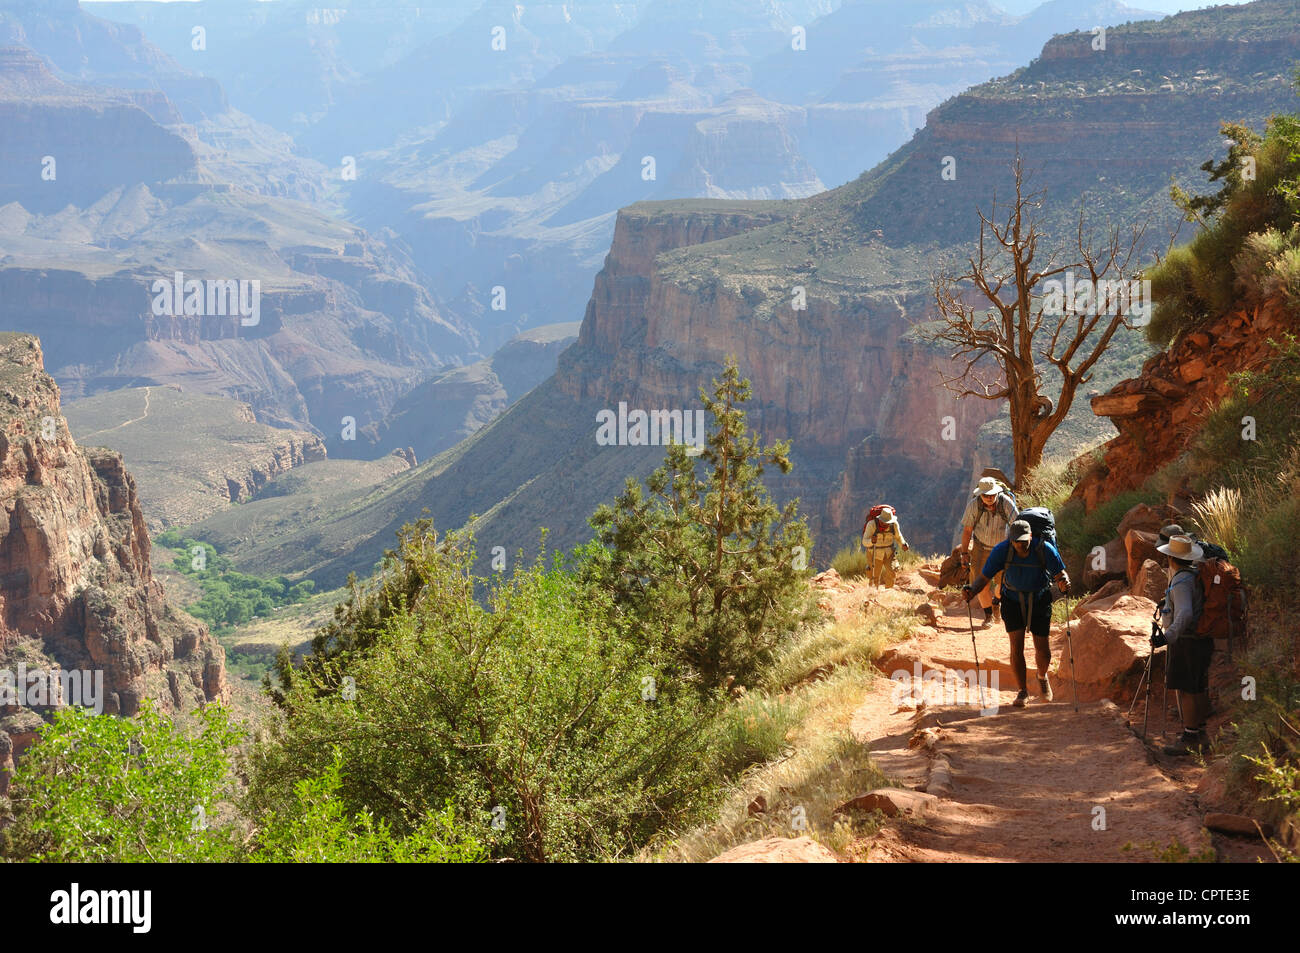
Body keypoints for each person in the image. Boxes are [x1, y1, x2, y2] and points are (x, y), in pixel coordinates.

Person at [964, 519, 1069, 707]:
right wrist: (972, 590)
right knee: (1016, 645)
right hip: (1012, 600)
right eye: (1016, 541)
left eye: (1024, 540)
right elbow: (984, 577)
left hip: (1039, 599)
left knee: (1042, 649)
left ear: (1030, 536)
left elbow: (1060, 574)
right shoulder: (1001, 550)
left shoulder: (1044, 549)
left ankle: (1042, 677)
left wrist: (1064, 582)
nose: (1020, 545)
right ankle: (1022, 692)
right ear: (1010, 539)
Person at [1156, 534, 1212, 756]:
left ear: (1171, 558)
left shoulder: (1180, 580)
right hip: (1202, 640)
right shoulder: (1194, 575)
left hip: (1187, 641)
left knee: (1187, 689)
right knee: (1198, 687)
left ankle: (1189, 737)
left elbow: (1186, 612)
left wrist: (1167, 636)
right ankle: (1201, 734)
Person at [959, 476, 1019, 628]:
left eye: (992, 495)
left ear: (997, 493)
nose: (989, 498)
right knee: (980, 585)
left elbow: (1017, 526)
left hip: (1003, 549)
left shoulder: (1006, 503)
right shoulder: (974, 506)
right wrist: (964, 554)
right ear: (980, 495)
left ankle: (996, 602)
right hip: (980, 548)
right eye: (985, 495)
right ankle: (988, 616)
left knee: (1003, 585)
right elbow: (967, 531)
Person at [862, 506, 909, 588]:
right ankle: (873, 595)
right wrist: (871, 542)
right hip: (874, 554)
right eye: (884, 522)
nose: (886, 524)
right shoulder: (871, 525)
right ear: (879, 519)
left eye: (887, 522)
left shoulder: (894, 524)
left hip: (889, 553)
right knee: (874, 576)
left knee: (892, 572)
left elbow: (898, 537)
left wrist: (903, 544)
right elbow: (864, 541)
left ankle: (888, 592)